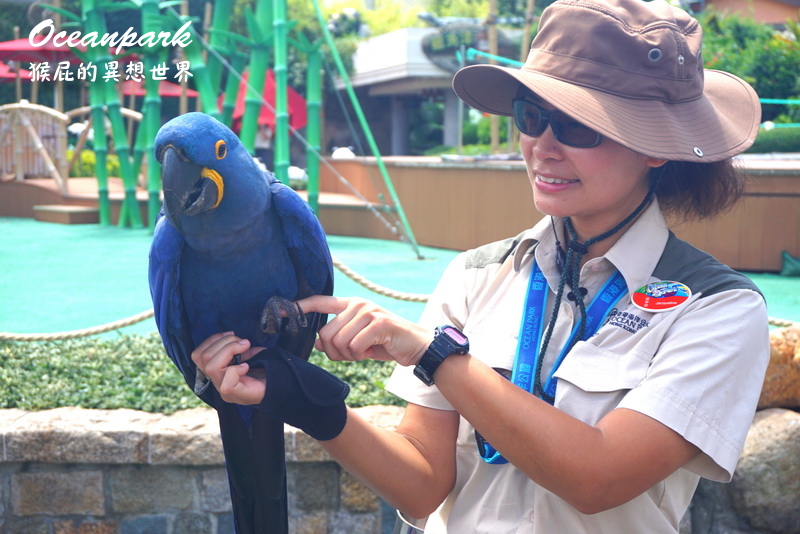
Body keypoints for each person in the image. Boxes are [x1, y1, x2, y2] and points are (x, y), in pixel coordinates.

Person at [190, 0, 770, 531]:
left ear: (656, 144)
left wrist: (431, 353)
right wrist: (308, 401)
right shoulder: (475, 275)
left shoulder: (717, 309)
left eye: (577, 125)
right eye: (530, 115)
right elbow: (422, 489)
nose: (543, 145)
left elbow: (599, 477)